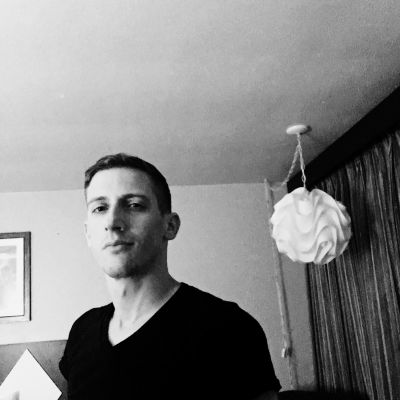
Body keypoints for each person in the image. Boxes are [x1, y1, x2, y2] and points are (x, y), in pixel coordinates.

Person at [59, 153, 281, 400]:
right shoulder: (81, 331)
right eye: (100, 208)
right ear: (88, 234)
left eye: (134, 205)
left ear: (170, 226)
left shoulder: (230, 329)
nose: (112, 222)